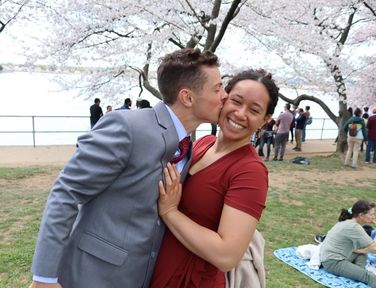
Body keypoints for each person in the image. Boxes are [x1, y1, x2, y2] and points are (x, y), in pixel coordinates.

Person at [29, 48, 226, 288]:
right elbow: (66, 192)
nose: (225, 96)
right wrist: (44, 278)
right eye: (218, 89)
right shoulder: (126, 126)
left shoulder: (189, 146)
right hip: (89, 275)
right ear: (188, 97)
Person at [151, 68, 279, 287]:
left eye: (254, 110)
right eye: (236, 101)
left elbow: (227, 256)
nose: (240, 113)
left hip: (191, 279)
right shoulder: (203, 143)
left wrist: (170, 212)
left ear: (265, 120)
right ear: (223, 98)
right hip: (159, 267)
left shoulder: (250, 171)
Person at [320, 200, 376, 288]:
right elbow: (375, 247)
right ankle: (361, 274)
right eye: (371, 214)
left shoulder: (349, 221)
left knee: (363, 253)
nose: (373, 217)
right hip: (333, 262)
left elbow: (361, 248)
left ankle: (358, 272)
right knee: (369, 276)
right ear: (361, 215)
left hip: (331, 256)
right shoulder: (354, 227)